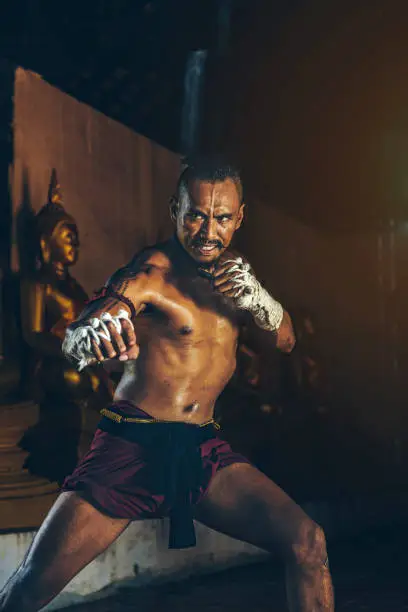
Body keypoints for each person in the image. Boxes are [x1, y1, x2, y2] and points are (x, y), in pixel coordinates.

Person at [0, 157, 334, 611]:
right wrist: (89, 335)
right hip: (131, 448)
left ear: (240, 218)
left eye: (221, 218)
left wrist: (263, 302)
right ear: (175, 208)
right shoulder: (149, 273)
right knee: (28, 589)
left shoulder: (237, 275)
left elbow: (288, 340)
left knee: (307, 542)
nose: (207, 231)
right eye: (195, 214)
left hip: (201, 448)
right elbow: (97, 317)